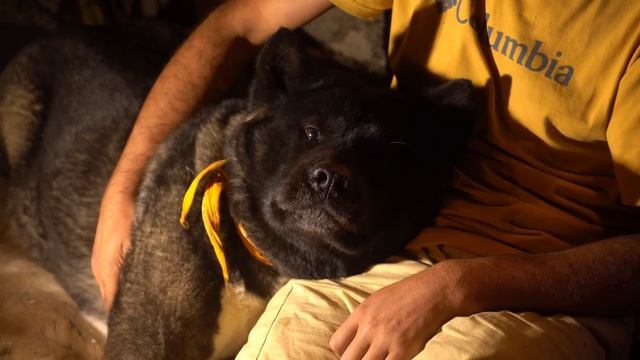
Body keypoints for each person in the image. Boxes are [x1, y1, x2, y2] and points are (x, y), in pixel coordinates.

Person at [92, 0, 640, 358]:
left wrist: (459, 286)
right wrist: (123, 193)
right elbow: (237, 21)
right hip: (388, 253)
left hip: (542, 286)